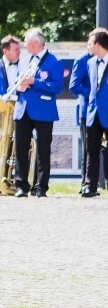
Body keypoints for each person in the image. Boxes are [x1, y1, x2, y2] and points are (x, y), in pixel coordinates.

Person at [12, 28, 63, 198]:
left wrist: (35, 81)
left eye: (26, 41)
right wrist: (20, 87)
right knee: (20, 148)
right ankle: (21, 185)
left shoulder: (54, 62)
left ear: (35, 43)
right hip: (23, 109)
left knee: (43, 149)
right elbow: (18, 83)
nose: (24, 45)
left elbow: (56, 87)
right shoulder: (24, 61)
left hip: (43, 110)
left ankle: (41, 186)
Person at [69, 27, 108, 193]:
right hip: (93, 113)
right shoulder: (90, 62)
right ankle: (89, 186)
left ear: (98, 44)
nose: (88, 46)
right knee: (91, 151)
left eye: (90, 43)